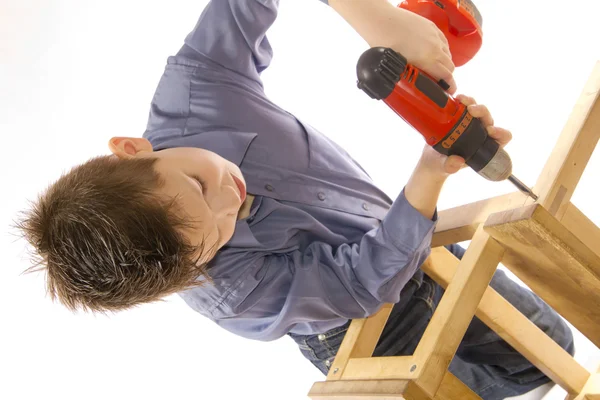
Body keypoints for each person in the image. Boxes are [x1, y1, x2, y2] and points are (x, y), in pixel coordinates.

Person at [18, 0, 573, 399]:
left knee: (552, 349)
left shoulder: (196, 93)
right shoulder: (231, 294)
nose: (229, 203)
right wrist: (432, 167)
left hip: (408, 238)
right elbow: (361, 281)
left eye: (197, 184)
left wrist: (373, 15)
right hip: (362, 323)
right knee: (484, 388)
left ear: (133, 151)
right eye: (212, 237)